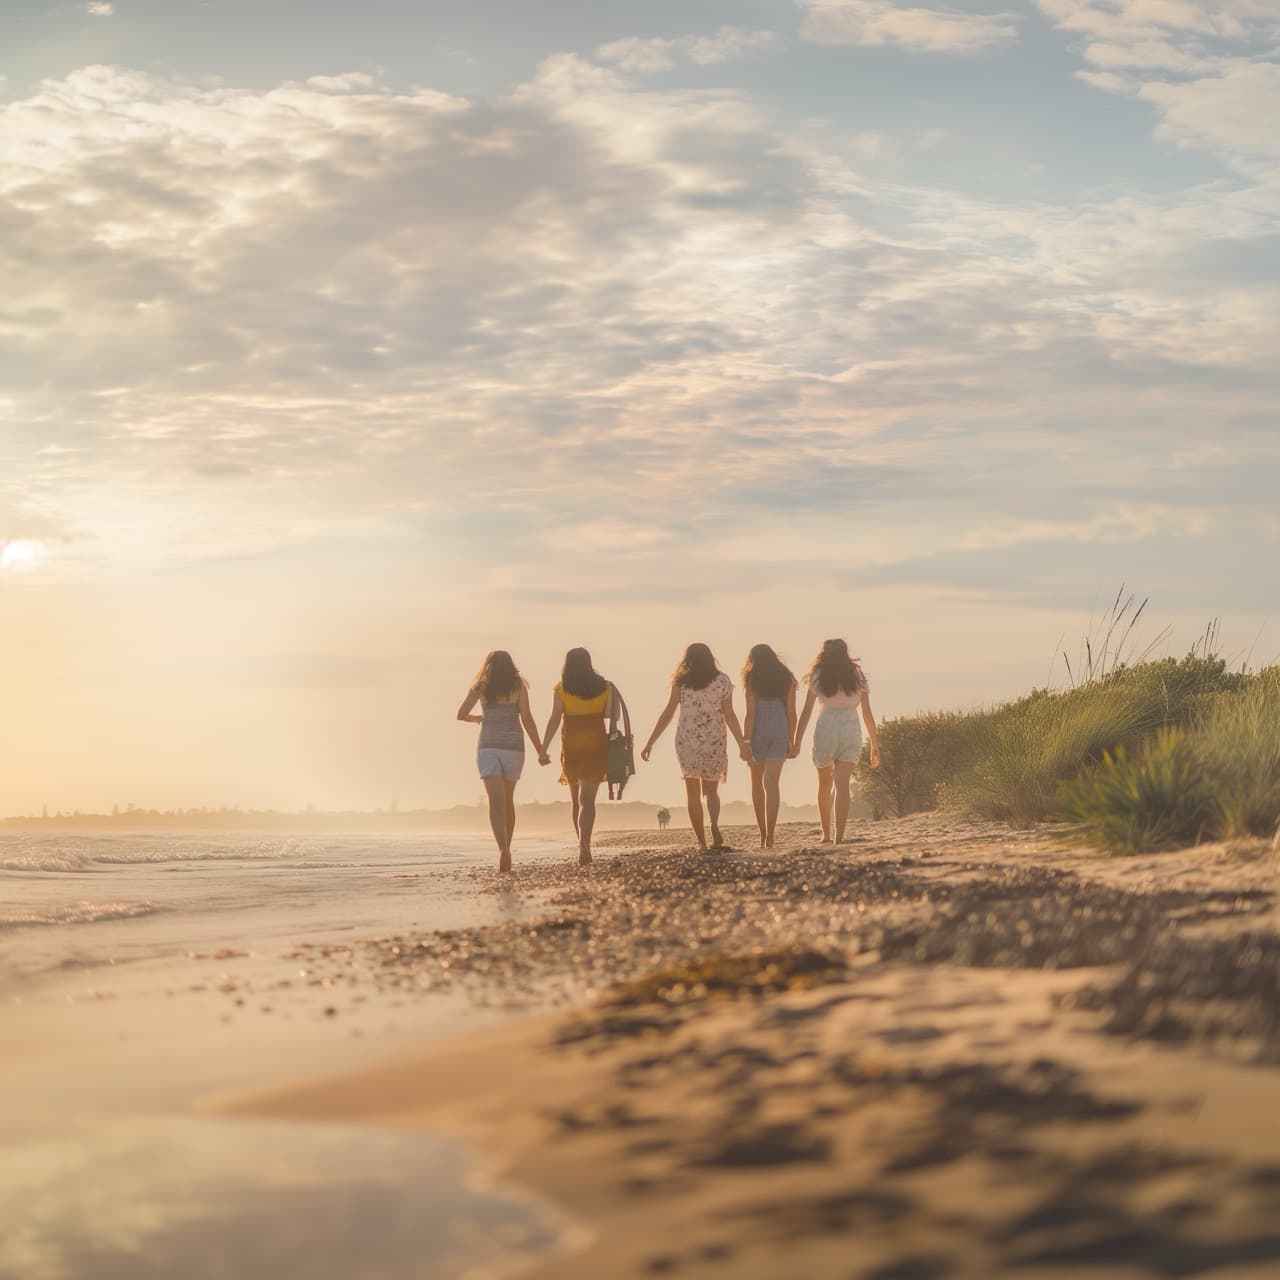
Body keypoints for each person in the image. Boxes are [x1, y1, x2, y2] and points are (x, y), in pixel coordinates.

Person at [640, 643, 749, 852]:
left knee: (692, 794)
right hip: (714, 741)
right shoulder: (722, 681)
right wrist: (742, 744)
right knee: (711, 791)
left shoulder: (681, 682)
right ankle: (714, 825)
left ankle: (701, 841)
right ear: (710, 658)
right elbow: (730, 714)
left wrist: (650, 742)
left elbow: (668, 713)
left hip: (687, 742)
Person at [456, 650, 544, 872]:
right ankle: (508, 846)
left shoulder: (481, 686)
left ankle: (502, 849)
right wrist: (540, 749)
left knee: (495, 802)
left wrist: (478, 718)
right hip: (514, 747)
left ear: (489, 666)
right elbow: (527, 719)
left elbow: (461, 714)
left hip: (488, 747)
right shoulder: (519, 686)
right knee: (507, 800)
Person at [792, 638, 881, 843]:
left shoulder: (819, 675)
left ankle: (826, 834)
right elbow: (867, 712)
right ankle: (839, 837)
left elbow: (806, 712)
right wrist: (875, 745)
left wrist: (796, 742)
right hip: (851, 727)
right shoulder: (856, 675)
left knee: (824, 785)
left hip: (827, 727)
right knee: (842, 785)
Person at [539, 647, 614, 866]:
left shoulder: (562, 689)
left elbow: (554, 720)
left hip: (572, 747)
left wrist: (544, 749)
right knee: (588, 802)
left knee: (576, 801)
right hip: (596, 747)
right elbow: (611, 715)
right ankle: (586, 844)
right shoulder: (605, 688)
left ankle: (582, 844)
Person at [742, 644, 799, 849]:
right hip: (779, 728)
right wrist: (792, 740)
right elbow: (792, 712)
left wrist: (746, 741)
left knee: (757, 784)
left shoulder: (751, 677)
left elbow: (750, 714)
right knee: (772, 783)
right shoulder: (787, 677)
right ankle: (771, 835)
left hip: (758, 729)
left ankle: (763, 833)